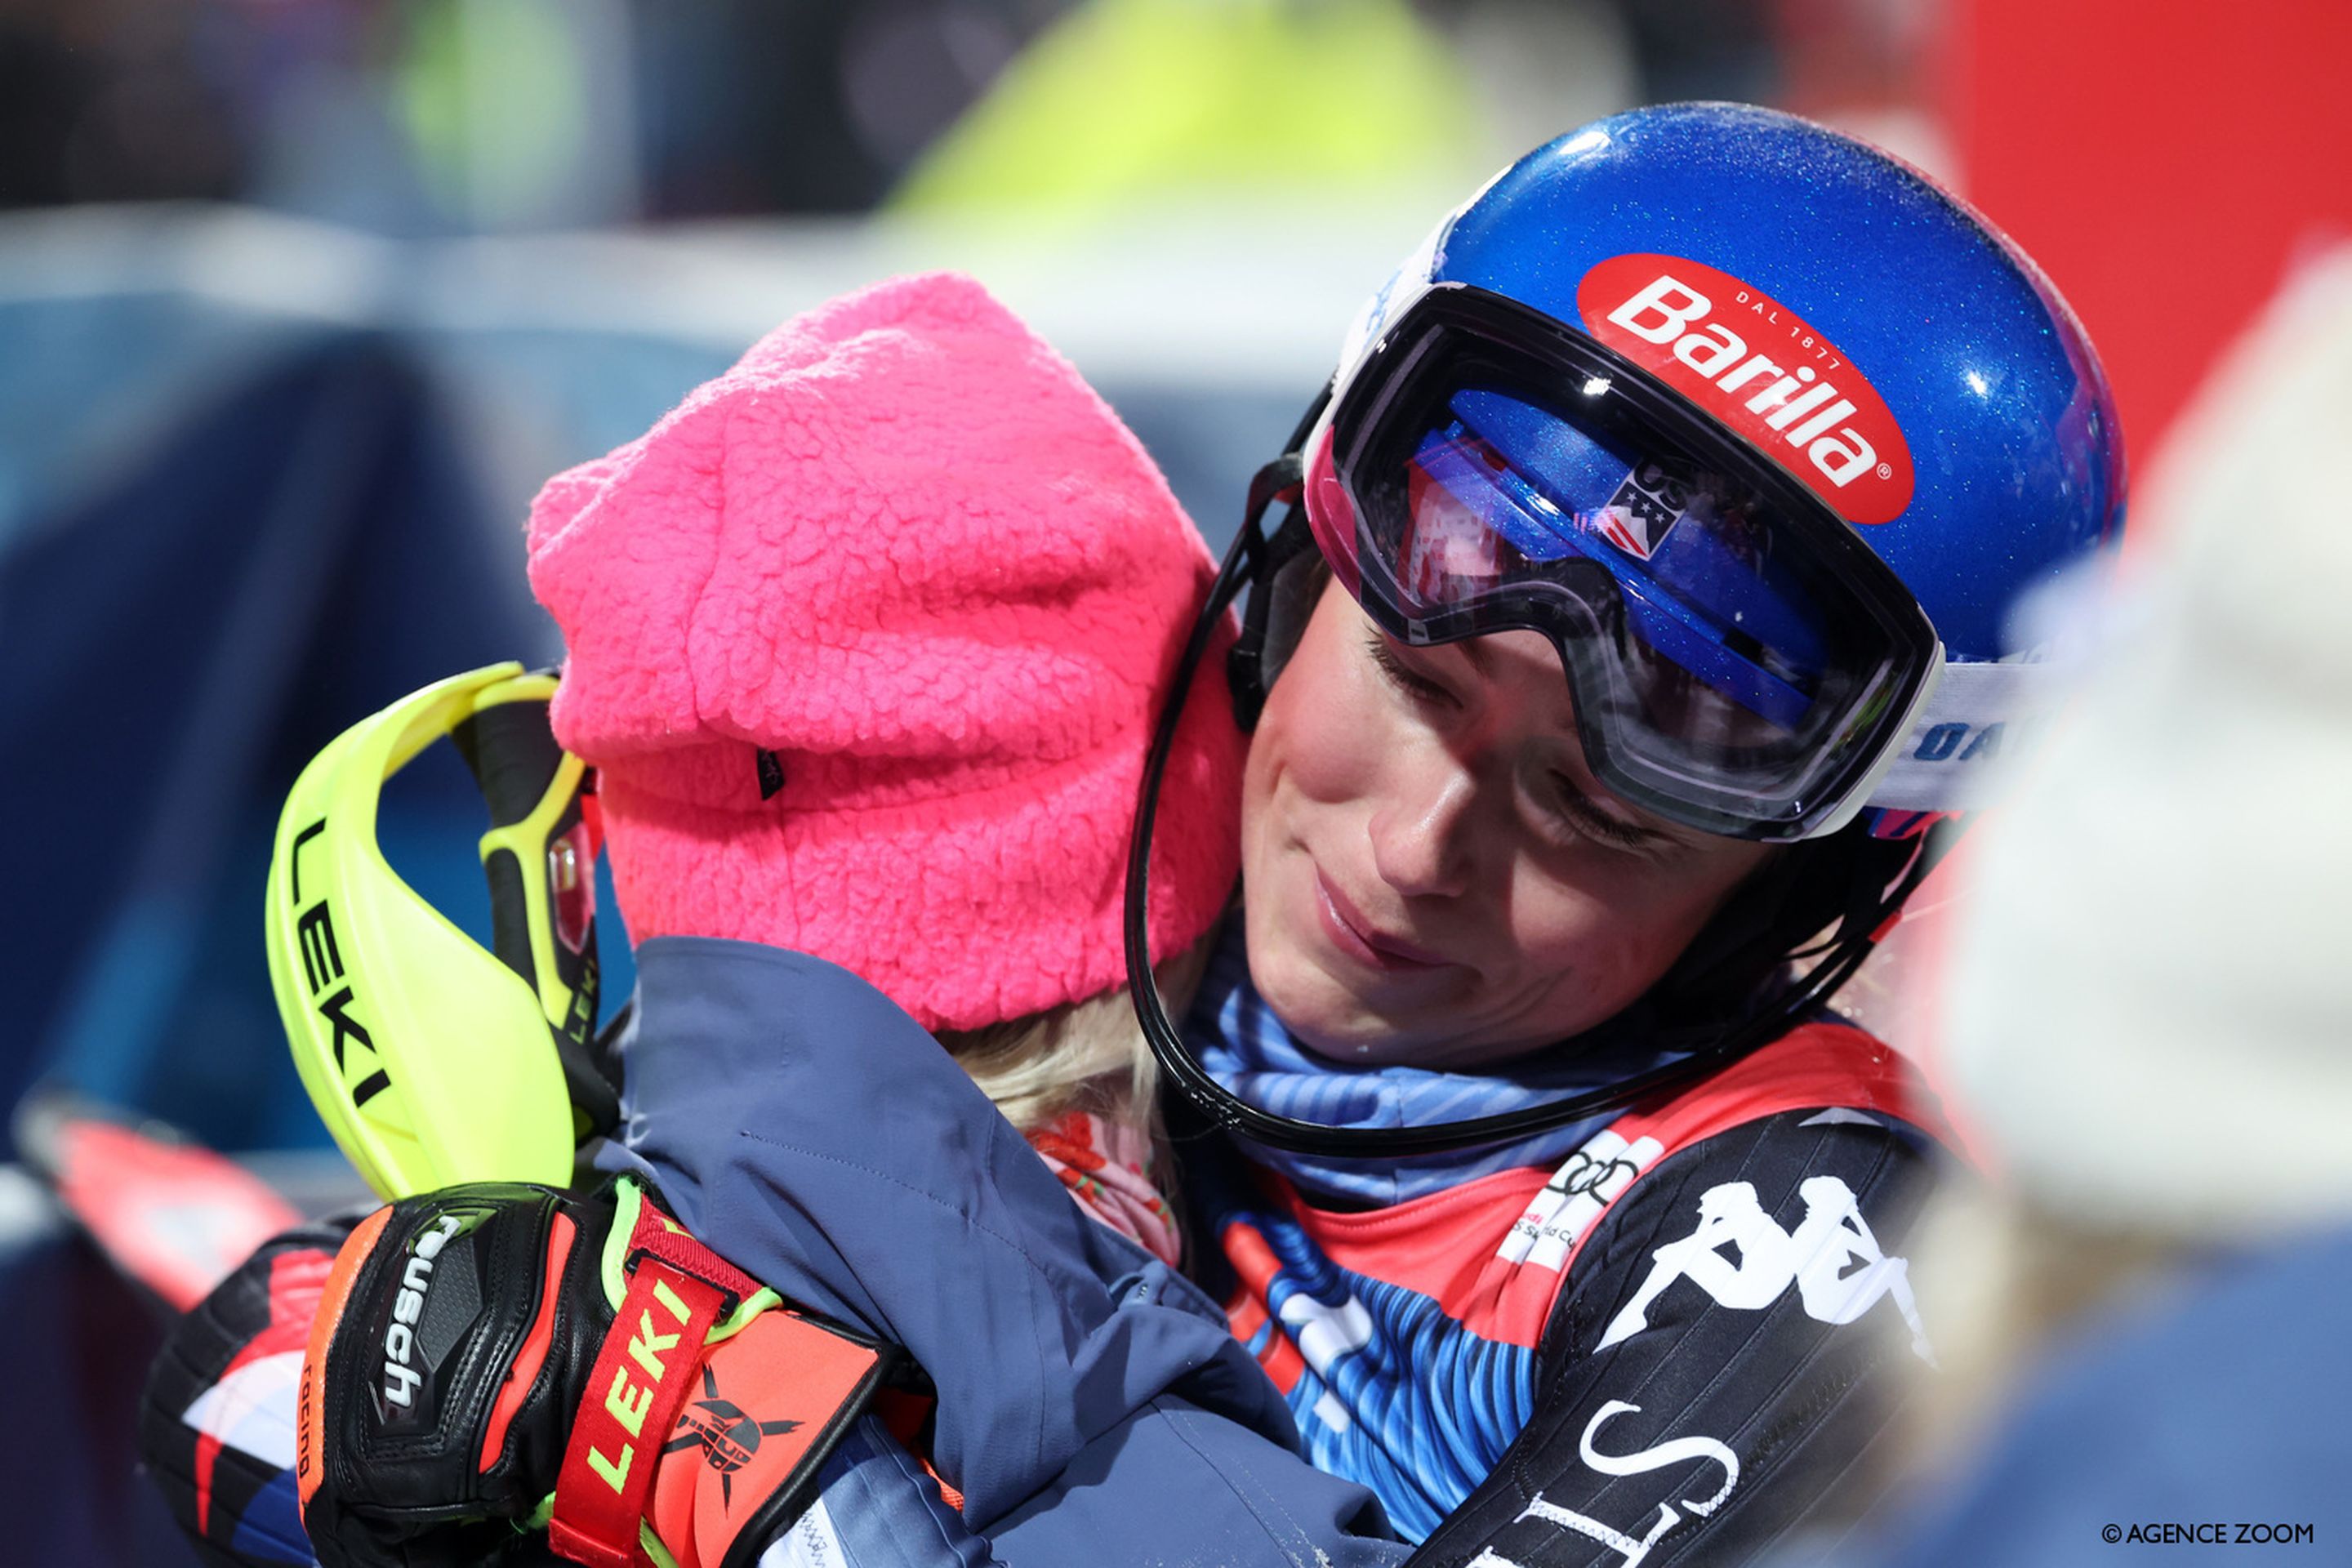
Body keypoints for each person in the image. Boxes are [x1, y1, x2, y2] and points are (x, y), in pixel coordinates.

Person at [181, 103, 2127, 1568]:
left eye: (1591, 810)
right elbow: (260, 1361)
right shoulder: (1091, 792)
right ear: (1296, 558)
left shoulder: (1814, 1257)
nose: (1422, 845)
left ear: (1814, 878)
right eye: (1423, 688)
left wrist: (775, 1482)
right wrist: (432, 1412)